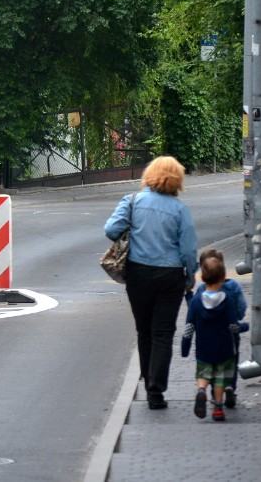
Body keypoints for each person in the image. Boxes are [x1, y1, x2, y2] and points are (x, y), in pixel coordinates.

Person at [104, 156, 198, 410]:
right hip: (170, 277)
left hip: (138, 274)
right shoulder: (180, 210)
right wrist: (190, 276)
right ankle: (156, 391)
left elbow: (111, 230)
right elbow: (189, 250)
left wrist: (132, 230)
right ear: (177, 179)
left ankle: (147, 378)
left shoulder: (132, 202)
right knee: (163, 333)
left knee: (144, 330)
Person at [181, 253, 249, 421]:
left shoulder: (196, 300)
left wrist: (185, 347)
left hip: (203, 348)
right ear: (222, 277)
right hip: (224, 348)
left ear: (203, 277)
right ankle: (218, 407)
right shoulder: (226, 301)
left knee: (203, 375)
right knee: (219, 378)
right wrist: (244, 327)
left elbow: (189, 326)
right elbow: (233, 325)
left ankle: (202, 390)